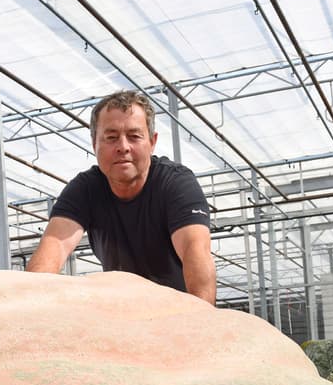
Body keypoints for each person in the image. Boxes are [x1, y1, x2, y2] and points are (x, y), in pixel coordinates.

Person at [25, 90, 216, 303]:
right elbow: (54, 247)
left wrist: (204, 317)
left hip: (176, 308)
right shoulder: (85, 189)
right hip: (121, 311)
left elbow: (195, 250)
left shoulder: (175, 183)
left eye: (134, 136)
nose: (123, 147)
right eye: (111, 137)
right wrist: (31, 305)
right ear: (94, 143)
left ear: (152, 142)